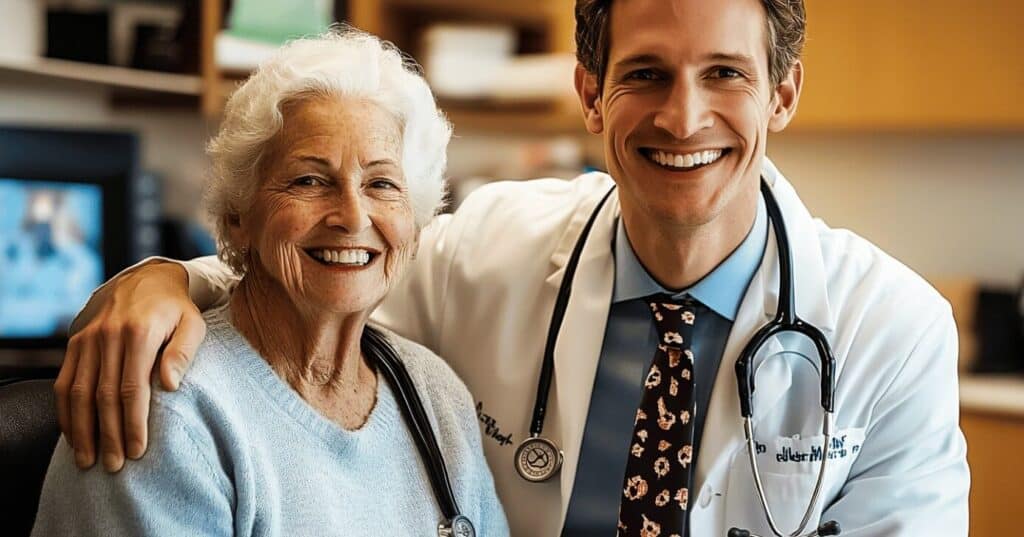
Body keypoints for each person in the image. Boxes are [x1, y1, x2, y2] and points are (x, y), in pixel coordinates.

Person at [54, 0, 970, 535]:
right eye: (646, 73)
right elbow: (321, 274)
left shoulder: (892, 332)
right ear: (589, 93)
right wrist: (161, 279)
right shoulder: (489, 248)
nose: (683, 118)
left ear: (783, 90)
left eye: (725, 74)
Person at [33, 29, 507, 536]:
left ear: (413, 221)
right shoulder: (173, 408)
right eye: (309, 180)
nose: (351, 215)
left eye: (381, 183)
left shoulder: (436, 397)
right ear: (239, 216)